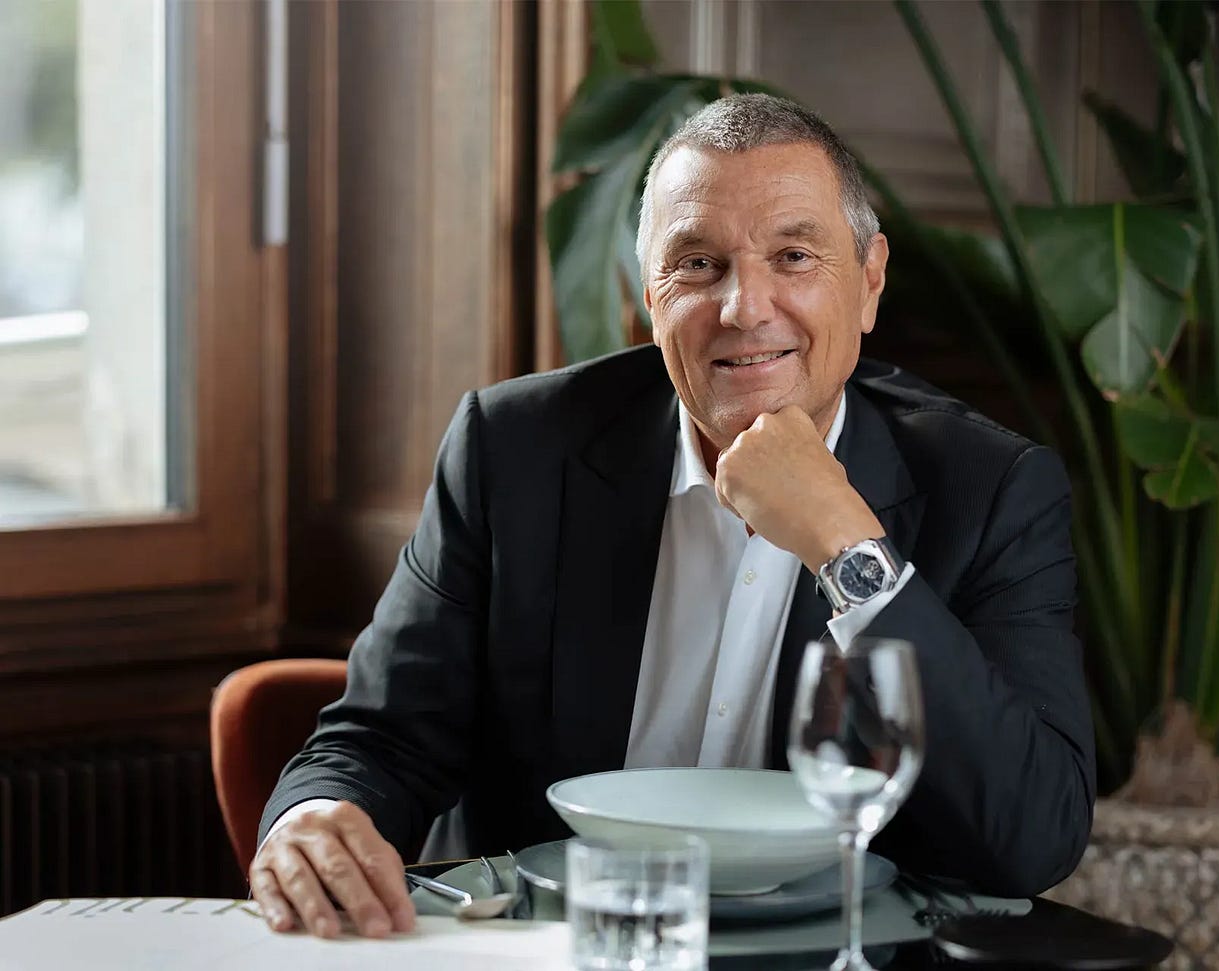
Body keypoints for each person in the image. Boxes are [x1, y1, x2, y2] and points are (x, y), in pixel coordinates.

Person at [250, 94, 1094, 940]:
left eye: (794, 256)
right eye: (698, 264)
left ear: (869, 282)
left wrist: (847, 546)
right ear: (651, 295)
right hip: (543, 949)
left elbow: (1032, 836)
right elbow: (382, 738)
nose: (745, 307)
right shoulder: (513, 451)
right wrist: (314, 818)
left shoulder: (991, 490)